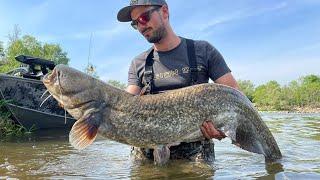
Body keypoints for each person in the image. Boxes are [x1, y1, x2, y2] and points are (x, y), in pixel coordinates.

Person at [117, 0, 239, 162]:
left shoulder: (203, 51)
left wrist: (224, 129)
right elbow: (123, 108)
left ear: (165, 12)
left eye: (144, 18)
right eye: (135, 23)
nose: (140, 27)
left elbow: (236, 101)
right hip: (148, 155)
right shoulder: (138, 63)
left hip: (196, 154)